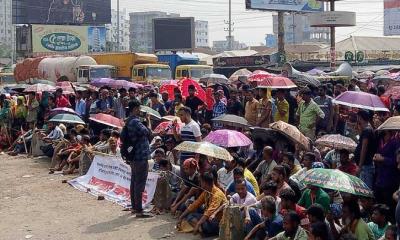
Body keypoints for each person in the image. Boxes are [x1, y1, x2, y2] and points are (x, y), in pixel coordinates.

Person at [120, 99, 152, 218]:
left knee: (134, 182)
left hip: (134, 156)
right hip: (140, 156)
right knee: (139, 183)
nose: (140, 110)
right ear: (135, 109)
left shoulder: (128, 121)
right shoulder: (135, 121)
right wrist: (148, 121)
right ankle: (138, 209)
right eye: (139, 108)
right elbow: (148, 132)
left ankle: (135, 206)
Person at [178, 172, 227, 237]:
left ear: (204, 182)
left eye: (201, 181)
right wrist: (181, 217)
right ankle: (202, 230)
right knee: (189, 216)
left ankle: (204, 230)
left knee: (201, 223)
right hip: (209, 219)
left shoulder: (217, 194)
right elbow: (195, 204)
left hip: (218, 222)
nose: (200, 183)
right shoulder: (206, 191)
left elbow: (209, 212)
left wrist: (198, 224)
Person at [354, 110, 377, 189]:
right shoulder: (366, 130)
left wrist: (359, 166)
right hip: (364, 166)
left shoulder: (367, 130)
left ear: (360, 117)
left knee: (366, 191)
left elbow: (364, 149)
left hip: (365, 166)